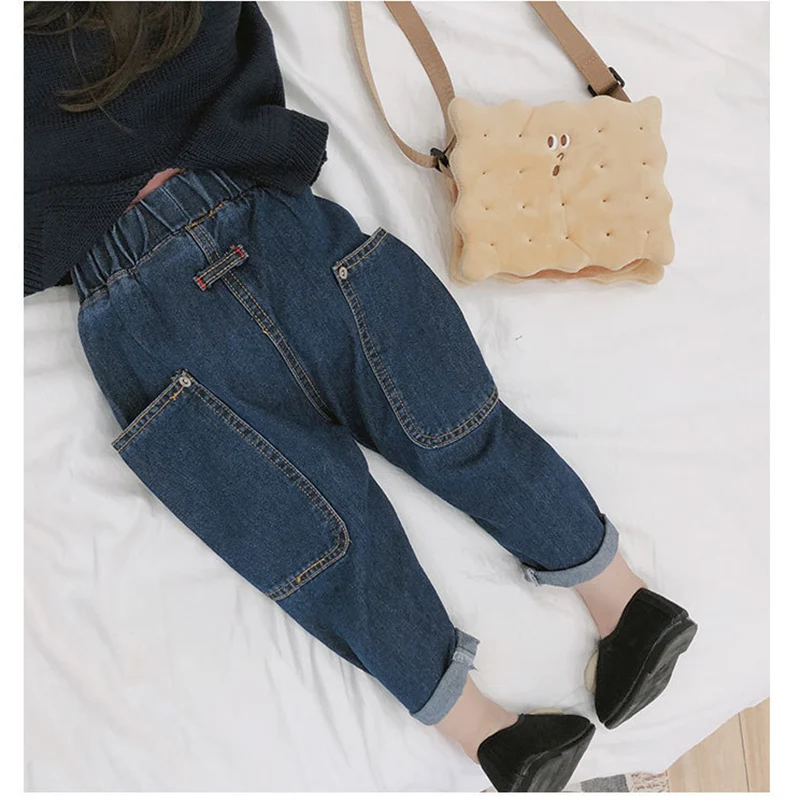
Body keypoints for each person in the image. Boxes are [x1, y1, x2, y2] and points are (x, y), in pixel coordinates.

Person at [24, 2, 697, 791]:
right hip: (268, 217)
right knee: (451, 424)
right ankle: (621, 600)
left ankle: (488, 732)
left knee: (319, 541)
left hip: (139, 300)